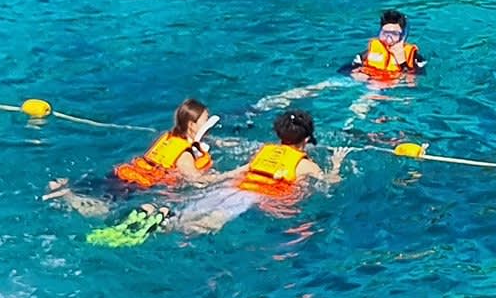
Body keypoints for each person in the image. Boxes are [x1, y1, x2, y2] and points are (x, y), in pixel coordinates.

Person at [173, 109, 342, 235]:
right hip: (252, 196)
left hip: (233, 187)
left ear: (279, 134)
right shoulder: (306, 165)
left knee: (186, 213)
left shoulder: (265, 151)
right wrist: (336, 163)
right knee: (208, 224)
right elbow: (330, 182)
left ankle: (168, 220)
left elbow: (245, 169)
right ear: (306, 139)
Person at [43, 98, 219, 218]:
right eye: (205, 120)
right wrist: (228, 175)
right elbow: (196, 180)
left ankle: (64, 184)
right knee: (102, 211)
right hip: (135, 185)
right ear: (192, 125)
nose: (208, 123)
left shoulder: (171, 138)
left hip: (123, 173)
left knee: (97, 185)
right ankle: (69, 197)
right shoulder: (184, 155)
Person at [349, 10, 426, 83]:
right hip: (371, 81)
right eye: (385, 33)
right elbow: (346, 70)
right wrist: (355, 73)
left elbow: (413, 82)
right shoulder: (368, 53)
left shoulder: (415, 57)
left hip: (395, 84)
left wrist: (403, 63)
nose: (389, 38)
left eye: (394, 34)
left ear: (402, 35)